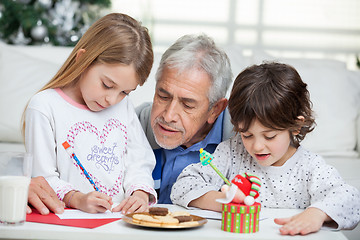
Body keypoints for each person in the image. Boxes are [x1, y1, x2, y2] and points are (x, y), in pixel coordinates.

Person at [171, 62, 360, 235]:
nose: (257, 146)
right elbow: (183, 185)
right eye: (247, 135)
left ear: (296, 126)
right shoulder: (232, 152)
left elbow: (350, 199)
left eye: (269, 136)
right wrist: (225, 201)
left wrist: (316, 214)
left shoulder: (309, 167)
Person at [23, 13, 157, 214]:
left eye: (124, 92)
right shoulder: (44, 107)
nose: (112, 100)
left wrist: (139, 192)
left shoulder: (123, 106)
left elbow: (139, 160)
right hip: (69, 222)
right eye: (107, 85)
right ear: (83, 60)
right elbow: (41, 179)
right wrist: (77, 199)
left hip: (119, 222)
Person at [136, 34, 234, 203]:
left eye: (187, 105)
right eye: (163, 96)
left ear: (215, 109)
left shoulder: (243, 139)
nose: (168, 116)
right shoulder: (133, 124)